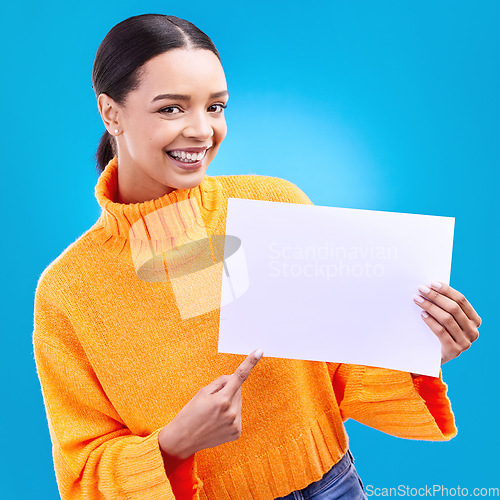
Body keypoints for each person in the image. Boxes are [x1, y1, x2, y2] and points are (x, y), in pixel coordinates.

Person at [32, 14, 481, 500]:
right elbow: (82, 469)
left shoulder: (274, 206)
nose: (202, 131)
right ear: (111, 113)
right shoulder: (69, 291)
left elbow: (338, 366)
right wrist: (174, 444)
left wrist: (417, 348)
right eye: (171, 109)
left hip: (333, 486)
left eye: (216, 106)